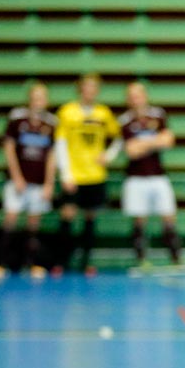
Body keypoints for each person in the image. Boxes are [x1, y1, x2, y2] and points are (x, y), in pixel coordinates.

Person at [53, 73, 121, 275]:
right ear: (80, 89)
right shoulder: (67, 112)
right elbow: (60, 142)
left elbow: (119, 137)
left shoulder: (103, 113)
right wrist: (65, 173)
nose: (90, 91)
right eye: (87, 87)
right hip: (74, 175)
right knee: (67, 215)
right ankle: (61, 261)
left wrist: (109, 156)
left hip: (95, 175)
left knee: (90, 217)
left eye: (94, 87)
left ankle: (86, 261)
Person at [0, 82, 59, 279]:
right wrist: (17, 177)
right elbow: (9, 148)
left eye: (42, 97)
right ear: (29, 98)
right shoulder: (17, 118)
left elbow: (52, 156)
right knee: (11, 218)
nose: (38, 101)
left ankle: (32, 263)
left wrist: (49, 183)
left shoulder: (51, 123)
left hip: (39, 181)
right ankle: (2, 262)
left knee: (34, 221)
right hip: (18, 181)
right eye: (35, 97)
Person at [117, 81, 182, 267]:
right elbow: (131, 151)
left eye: (138, 94)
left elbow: (169, 140)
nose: (135, 99)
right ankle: (141, 259)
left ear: (145, 96)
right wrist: (155, 141)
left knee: (168, 216)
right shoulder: (125, 121)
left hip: (158, 175)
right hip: (136, 177)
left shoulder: (158, 115)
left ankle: (175, 258)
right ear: (128, 100)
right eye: (132, 96)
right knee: (139, 219)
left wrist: (142, 143)